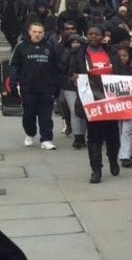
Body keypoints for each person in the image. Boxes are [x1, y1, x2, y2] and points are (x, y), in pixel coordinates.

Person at [70, 25, 122, 183]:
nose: (93, 36)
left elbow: (120, 71)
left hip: (110, 100)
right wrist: (73, 79)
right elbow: (70, 72)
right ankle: (96, 170)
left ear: (103, 36)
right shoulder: (79, 54)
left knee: (112, 136)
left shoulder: (111, 52)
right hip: (91, 100)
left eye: (97, 34)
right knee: (94, 137)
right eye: (90, 34)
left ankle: (113, 160)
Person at [10, 21, 58, 150]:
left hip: (46, 88)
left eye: (40, 32)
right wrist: (14, 82)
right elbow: (14, 66)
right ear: (30, 32)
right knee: (28, 115)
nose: (37, 34)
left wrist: (56, 86)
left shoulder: (49, 47)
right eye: (35, 32)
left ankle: (46, 139)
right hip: (28, 88)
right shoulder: (21, 47)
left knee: (46, 115)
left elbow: (55, 68)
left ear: (43, 33)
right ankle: (30, 133)